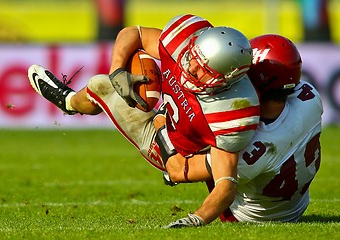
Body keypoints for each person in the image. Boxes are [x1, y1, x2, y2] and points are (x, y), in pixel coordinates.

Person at [27, 14, 260, 227]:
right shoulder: (182, 42)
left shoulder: (230, 111)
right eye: (192, 57)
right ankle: (69, 102)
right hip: (168, 116)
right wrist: (117, 70)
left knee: (178, 169)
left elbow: (226, 184)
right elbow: (135, 33)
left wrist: (195, 219)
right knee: (101, 84)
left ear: (225, 81)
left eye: (202, 70)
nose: (190, 67)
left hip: (177, 152)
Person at [163, 34, 323, 227]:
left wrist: (161, 121)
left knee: (205, 128)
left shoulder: (251, 149)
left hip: (249, 216)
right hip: (296, 204)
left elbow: (178, 169)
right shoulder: (309, 96)